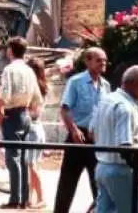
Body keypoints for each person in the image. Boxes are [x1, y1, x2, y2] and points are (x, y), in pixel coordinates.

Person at [91, 65, 138, 213]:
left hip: (102, 167)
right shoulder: (125, 108)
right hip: (121, 171)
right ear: (136, 84)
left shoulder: (106, 100)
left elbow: (92, 132)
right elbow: (125, 148)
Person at [54, 47, 111, 213]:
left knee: (99, 184)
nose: (103, 63)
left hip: (97, 140)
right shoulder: (76, 81)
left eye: (105, 60)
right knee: (67, 183)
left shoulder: (105, 85)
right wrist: (73, 129)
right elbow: (65, 109)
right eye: (99, 60)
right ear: (88, 61)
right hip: (77, 137)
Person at [0, 37, 42, 209]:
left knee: (12, 157)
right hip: (26, 114)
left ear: (10, 50)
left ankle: (15, 198)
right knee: (23, 157)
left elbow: (5, 94)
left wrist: (0, 111)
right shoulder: (29, 71)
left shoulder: (9, 69)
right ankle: (24, 197)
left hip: (13, 114)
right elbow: (37, 97)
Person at [25, 57, 49, 209]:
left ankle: (41, 197)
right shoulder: (42, 86)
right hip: (37, 128)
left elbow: (34, 112)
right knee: (32, 164)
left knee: (31, 164)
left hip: (33, 127)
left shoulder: (36, 88)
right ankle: (30, 197)